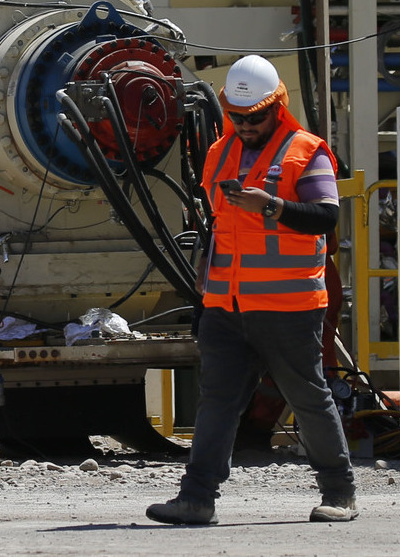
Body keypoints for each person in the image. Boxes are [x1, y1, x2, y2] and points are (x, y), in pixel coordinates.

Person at [146, 55, 357, 525]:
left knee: (308, 399)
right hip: (226, 306)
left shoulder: (307, 151)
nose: (245, 125)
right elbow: (216, 233)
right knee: (216, 401)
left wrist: (274, 206)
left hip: (288, 306)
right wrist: (205, 299)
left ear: (276, 107)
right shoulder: (219, 153)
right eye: (237, 117)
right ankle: (197, 499)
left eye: (255, 117)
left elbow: (326, 216)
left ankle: (340, 494)